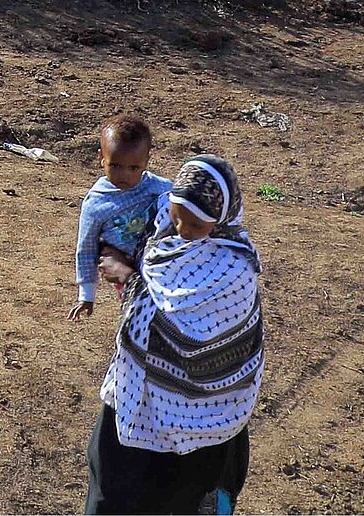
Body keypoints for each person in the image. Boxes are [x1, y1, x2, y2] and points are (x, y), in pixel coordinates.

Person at [85, 155, 265, 515]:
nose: (181, 229)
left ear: (221, 219)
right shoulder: (163, 228)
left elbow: (181, 327)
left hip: (205, 410)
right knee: (111, 492)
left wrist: (126, 275)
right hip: (138, 391)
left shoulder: (234, 268)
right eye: (176, 214)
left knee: (187, 499)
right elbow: (149, 269)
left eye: (195, 224)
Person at [68, 114, 172, 322]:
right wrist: (86, 295)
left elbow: (187, 207)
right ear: (101, 159)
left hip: (165, 269)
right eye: (115, 166)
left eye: (134, 168)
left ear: (146, 162)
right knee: (141, 319)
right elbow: (86, 248)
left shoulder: (160, 188)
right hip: (127, 275)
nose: (124, 175)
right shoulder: (96, 204)